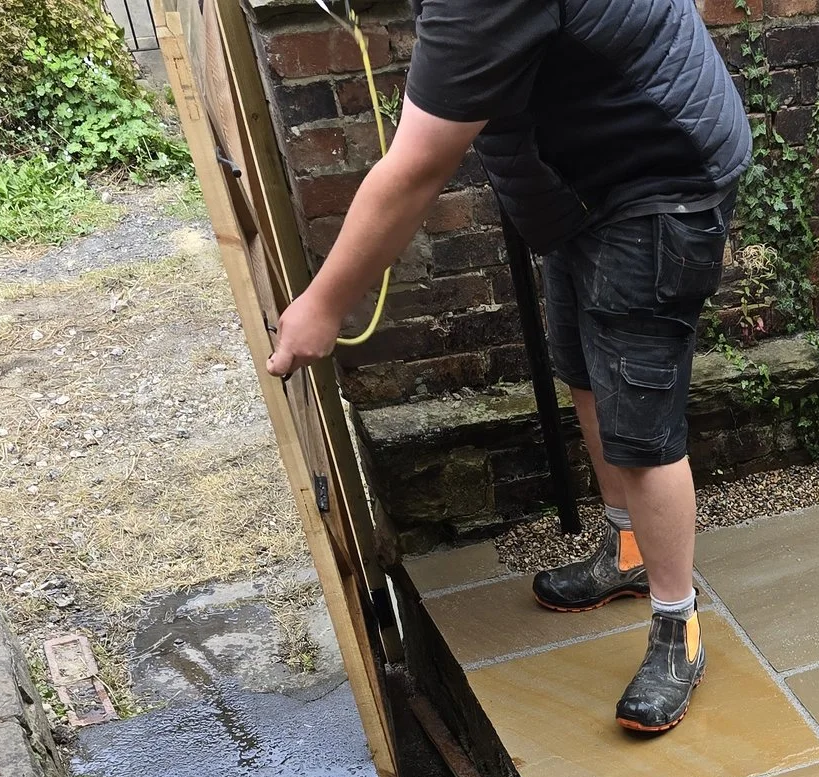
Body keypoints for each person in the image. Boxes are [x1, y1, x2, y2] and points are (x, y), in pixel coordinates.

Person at [267, 0, 751, 733]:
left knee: (641, 424)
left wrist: (324, 304)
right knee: (586, 370)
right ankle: (627, 547)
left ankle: (676, 625)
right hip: (585, 185)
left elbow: (418, 165)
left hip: (659, 182)